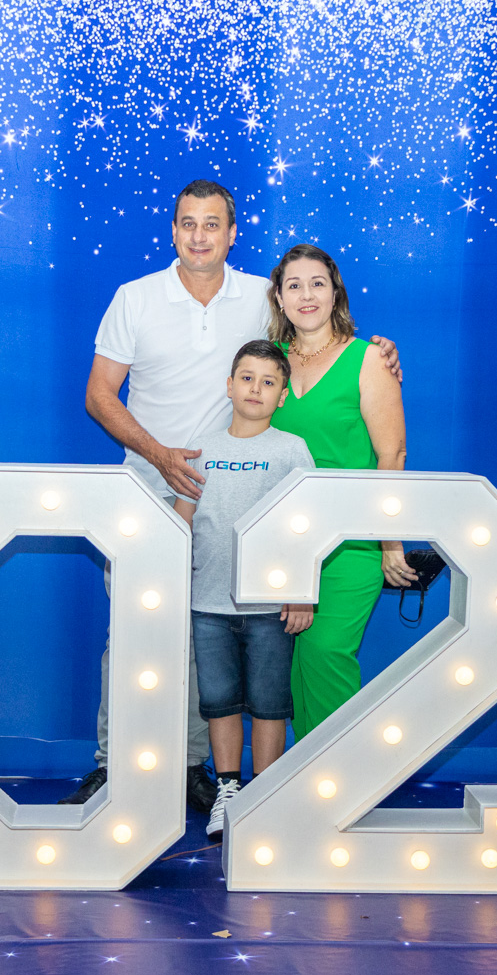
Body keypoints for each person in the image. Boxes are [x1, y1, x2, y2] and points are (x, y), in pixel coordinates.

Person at [75, 181, 403, 811]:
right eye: (187, 223)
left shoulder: (260, 296)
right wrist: (161, 457)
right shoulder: (135, 298)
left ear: (232, 234)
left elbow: (318, 336)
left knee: (212, 641)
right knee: (136, 635)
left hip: (233, 505)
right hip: (147, 493)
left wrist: (379, 351)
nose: (199, 235)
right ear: (173, 230)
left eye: (212, 224)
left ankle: (196, 769)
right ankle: (114, 764)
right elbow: (99, 395)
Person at [267, 243, 413, 740]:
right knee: (292, 666)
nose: (306, 295)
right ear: (279, 298)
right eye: (294, 286)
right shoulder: (270, 361)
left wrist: (389, 540)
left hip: (352, 540)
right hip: (284, 540)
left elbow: (392, 454)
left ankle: (341, 775)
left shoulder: (369, 358)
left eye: (317, 284)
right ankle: (305, 777)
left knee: (326, 650)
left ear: (335, 294)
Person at [173, 341, 316, 839]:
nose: (256, 388)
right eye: (247, 378)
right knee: (220, 701)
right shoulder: (203, 447)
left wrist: (302, 591)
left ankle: (265, 796)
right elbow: (182, 519)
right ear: (230, 386)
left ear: (282, 396)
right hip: (208, 603)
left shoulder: (291, 449)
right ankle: (229, 790)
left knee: (269, 702)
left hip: (270, 606)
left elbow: (307, 525)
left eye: (269, 382)